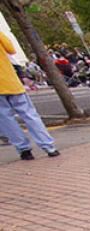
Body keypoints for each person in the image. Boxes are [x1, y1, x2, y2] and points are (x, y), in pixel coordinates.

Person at [0, 29, 59, 160]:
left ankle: (24, 149)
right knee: (29, 114)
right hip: (10, 81)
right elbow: (11, 49)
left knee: (6, 119)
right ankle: (49, 147)